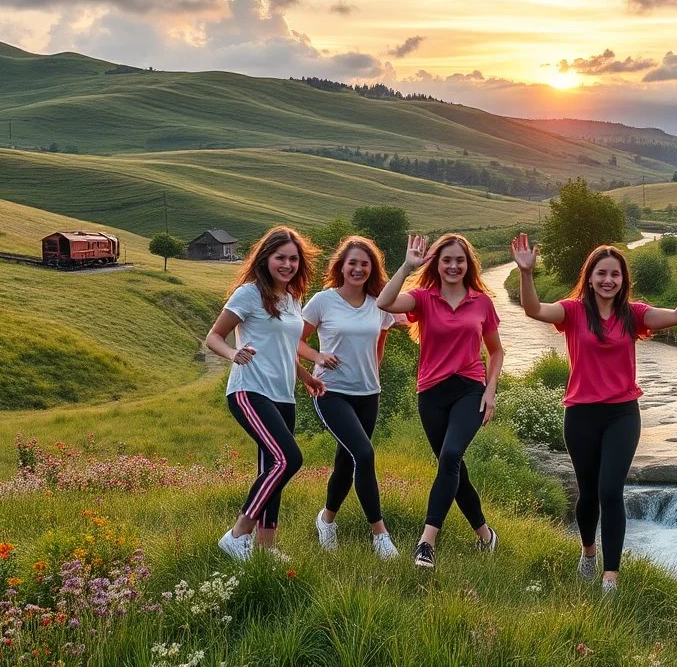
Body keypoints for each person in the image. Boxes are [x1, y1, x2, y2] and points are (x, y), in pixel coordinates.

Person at [510, 234, 677, 593]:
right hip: (580, 415)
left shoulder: (634, 315)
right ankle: (587, 552)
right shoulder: (573, 311)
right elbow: (534, 310)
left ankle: (610, 577)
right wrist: (525, 273)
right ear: (590, 277)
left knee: (610, 490)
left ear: (622, 279)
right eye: (601, 273)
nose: (608, 280)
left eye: (614, 274)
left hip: (622, 416)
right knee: (588, 494)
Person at [376, 234, 504, 569]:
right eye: (446, 260)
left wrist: (490, 390)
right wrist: (406, 266)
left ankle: (426, 543)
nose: (453, 266)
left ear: (468, 264)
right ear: (437, 263)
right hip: (431, 393)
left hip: (469, 390)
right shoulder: (423, 298)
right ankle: (487, 536)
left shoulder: (481, 302)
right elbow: (384, 303)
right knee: (454, 467)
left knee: (449, 457)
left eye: (459, 260)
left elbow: (496, 350)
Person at [205, 226, 332, 561]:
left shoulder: (292, 298)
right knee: (288, 459)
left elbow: (286, 348)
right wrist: (234, 354)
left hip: (282, 395)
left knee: (270, 468)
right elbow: (214, 336)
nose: (287, 264)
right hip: (249, 390)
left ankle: (265, 547)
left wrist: (306, 376)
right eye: (280, 257)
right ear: (266, 258)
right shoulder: (248, 294)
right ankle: (237, 535)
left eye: (293, 258)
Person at [303, 236, 408, 560]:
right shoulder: (323, 301)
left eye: (365, 263)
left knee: (346, 461)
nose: (358, 268)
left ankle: (327, 520)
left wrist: (372, 370)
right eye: (353, 263)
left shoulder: (380, 303)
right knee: (364, 454)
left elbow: (389, 335)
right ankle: (380, 534)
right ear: (341, 267)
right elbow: (294, 340)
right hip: (330, 391)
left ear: (372, 268)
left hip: (368, 394)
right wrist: (317, 357)